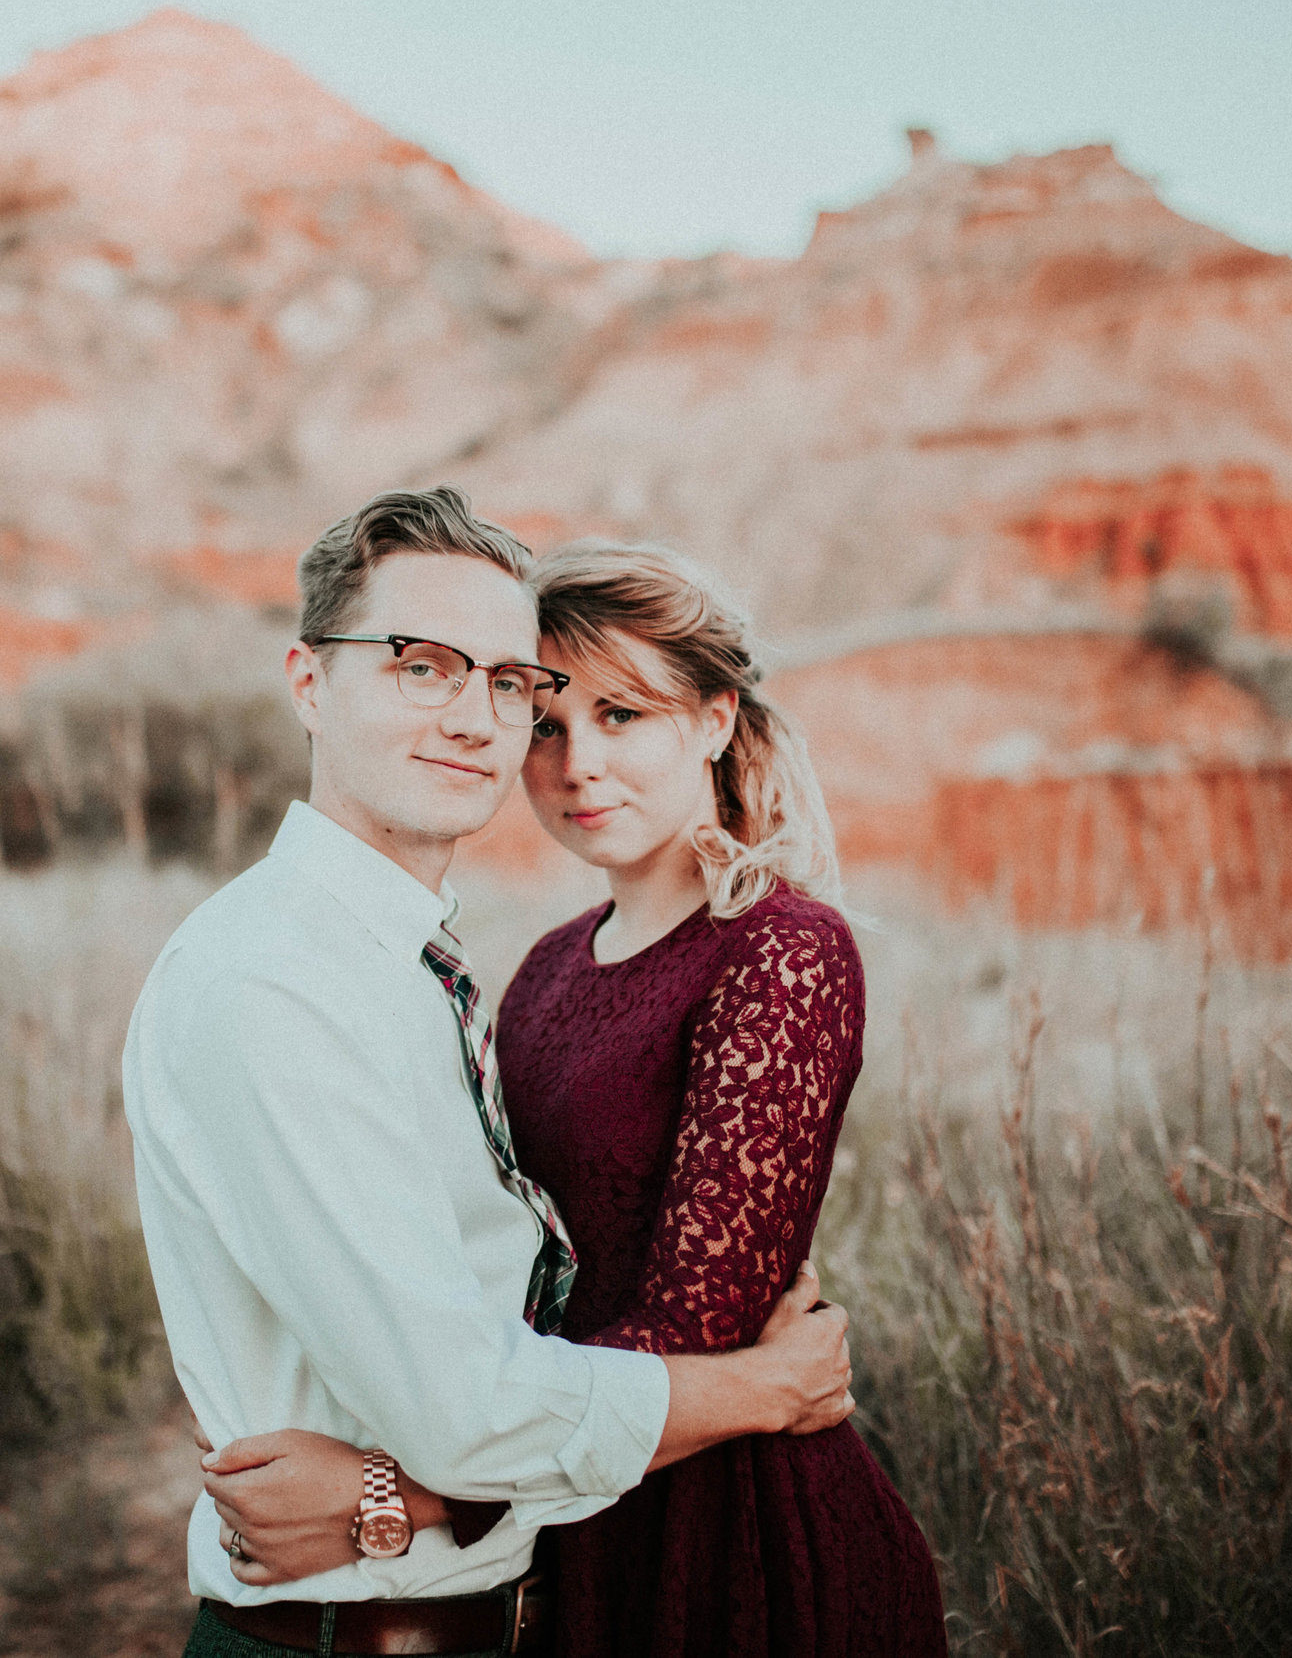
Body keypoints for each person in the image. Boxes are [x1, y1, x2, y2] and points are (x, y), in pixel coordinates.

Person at [122, 491, 861, 1658]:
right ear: (310, 682)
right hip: (386, 1615)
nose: (482, 719)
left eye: (509, 682)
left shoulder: (428, 965)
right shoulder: (283, 980)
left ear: (716, 721)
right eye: (423, 665)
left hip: (665, 1555)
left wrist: (395, 1492)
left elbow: (559, 1316)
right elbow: (467, 1398)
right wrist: (769, 1386)